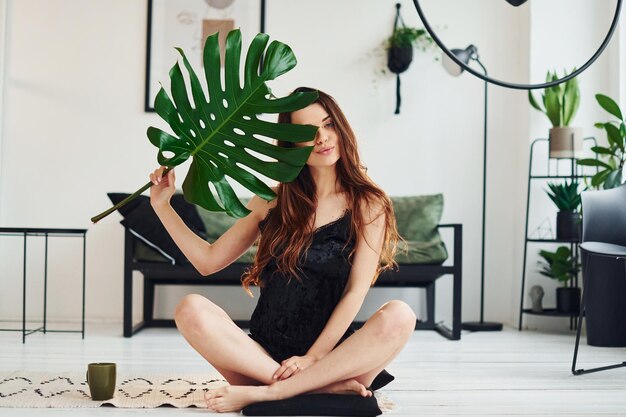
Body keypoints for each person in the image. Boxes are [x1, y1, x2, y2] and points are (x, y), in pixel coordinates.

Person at [149, 87, 417, 413]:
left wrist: (315, 358)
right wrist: (162, 207)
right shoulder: (269, 199)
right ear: (290, 145)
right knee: (190, 309)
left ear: (341, 127)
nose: (321, 137)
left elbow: (355, 291)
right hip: (262, 360)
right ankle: (325, 392)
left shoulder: (368, 203)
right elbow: (208, 261)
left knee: (401, 316)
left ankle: (274, 394)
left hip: (334, 356)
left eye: (328, 124)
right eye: (306, 132)